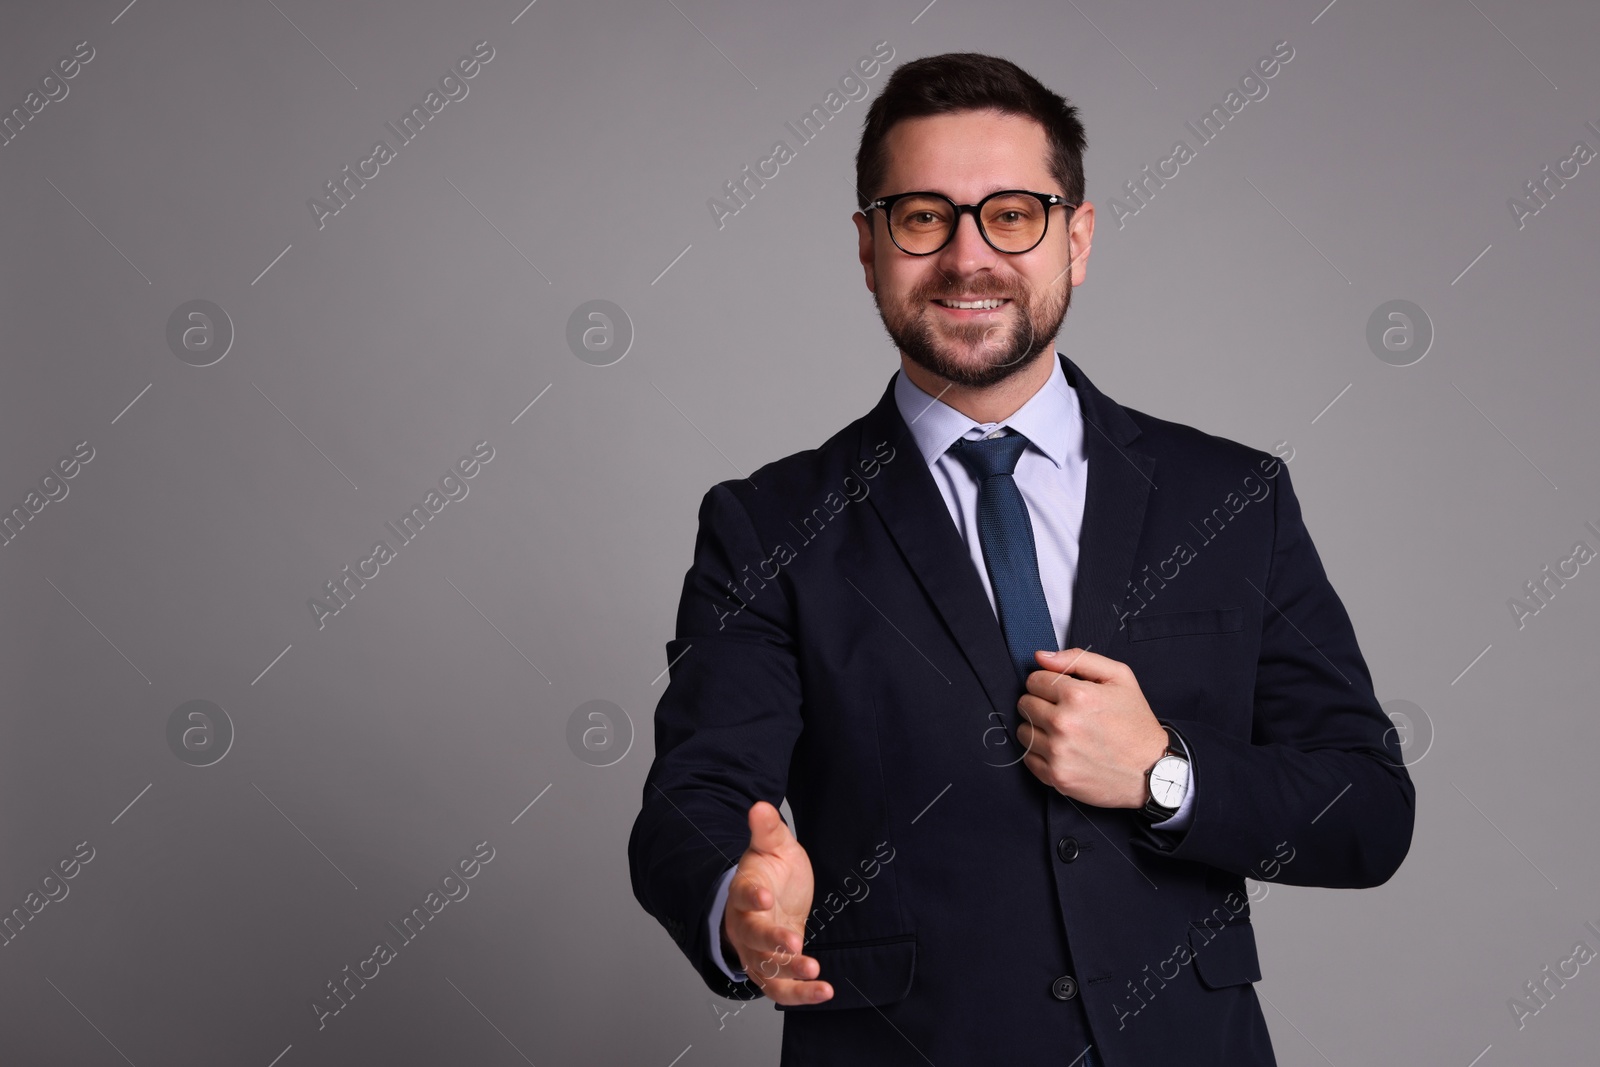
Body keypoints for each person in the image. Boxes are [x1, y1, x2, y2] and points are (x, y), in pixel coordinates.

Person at [628, 51, 1414, 1066]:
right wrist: (739, 899)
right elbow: (692, 799)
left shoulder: (1230, 498)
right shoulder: (766, 521)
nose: (967, 257)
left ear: (1075, 240)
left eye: (1011, 214)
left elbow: (1365, 810)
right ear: (867, 248)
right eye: (921, 217)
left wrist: (1164, 774)